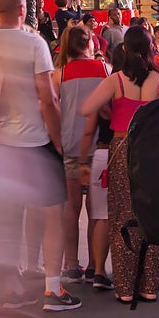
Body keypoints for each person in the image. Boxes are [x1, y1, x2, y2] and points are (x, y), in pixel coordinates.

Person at [0, 0, 79, 311]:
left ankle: (12, 287)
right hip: (34, 139)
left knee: (7, 216)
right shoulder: (34, 43)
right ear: (21, 9)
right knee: (52, 213)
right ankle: (53, 290)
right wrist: (58, 140)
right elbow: (48, 97)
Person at [74, 25, 159, 303]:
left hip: (121, 148)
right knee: (152, 215)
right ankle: (149, 285)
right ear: (151, 49)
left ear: (126, 49)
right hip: (151, 151)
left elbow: (85, 108)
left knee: (122, 217)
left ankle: (126, 288)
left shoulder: (115, 81)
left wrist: (110, 108)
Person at [53, 24, 108, 287]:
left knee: (71, 208)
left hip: (68, 146)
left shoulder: (60, 74)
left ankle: (72, 264)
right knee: (96, 210)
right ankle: (96, 265)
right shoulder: (103, 70)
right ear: (90, 44)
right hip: (98, 147)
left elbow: (51, 108)